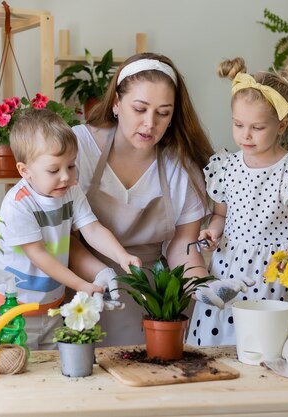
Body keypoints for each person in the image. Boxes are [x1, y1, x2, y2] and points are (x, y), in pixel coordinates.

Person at [69, 52, 216, 346]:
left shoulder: (180, 166)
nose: (150, 124)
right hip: (85, 286)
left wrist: (204, 287)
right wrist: (102, 274)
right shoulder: (78, 148)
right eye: (140, 109)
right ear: (116, 104)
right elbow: (63, 237)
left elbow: (182, 248)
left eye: (163, 113)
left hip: (151, 297)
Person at [186, 57, 288, 347]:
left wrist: (286, 257)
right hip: (229, 268)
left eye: (257, 127)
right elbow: (220, 215)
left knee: (265, 345)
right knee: (220, 345)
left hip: (273, 274)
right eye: (238, 124)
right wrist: (212, 231)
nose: (245, 135)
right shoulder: (227, 167)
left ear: (281, 125)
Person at [0, 108, 141, 351]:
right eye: (54, 170)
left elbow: (93, 229)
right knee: (11, 368)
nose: (66, 177)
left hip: (51, 306)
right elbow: (40, 255)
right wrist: (80, 285)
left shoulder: (71, 192)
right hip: (11, 308)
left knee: (50, 369)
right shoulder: (18, 204)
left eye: (71, 166)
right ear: (25, 171)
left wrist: (121, 256)